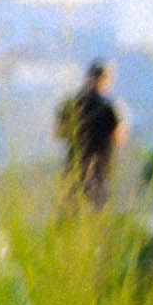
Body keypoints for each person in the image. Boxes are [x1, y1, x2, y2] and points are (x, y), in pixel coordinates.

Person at [57, 61, 127, 210]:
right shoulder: (110, 107)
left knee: (70, 215)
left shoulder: (70, 104)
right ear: (105, 79)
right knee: (97, 217)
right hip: (99, 171)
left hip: (73, 170)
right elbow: (119, 138)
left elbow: (60, 133)